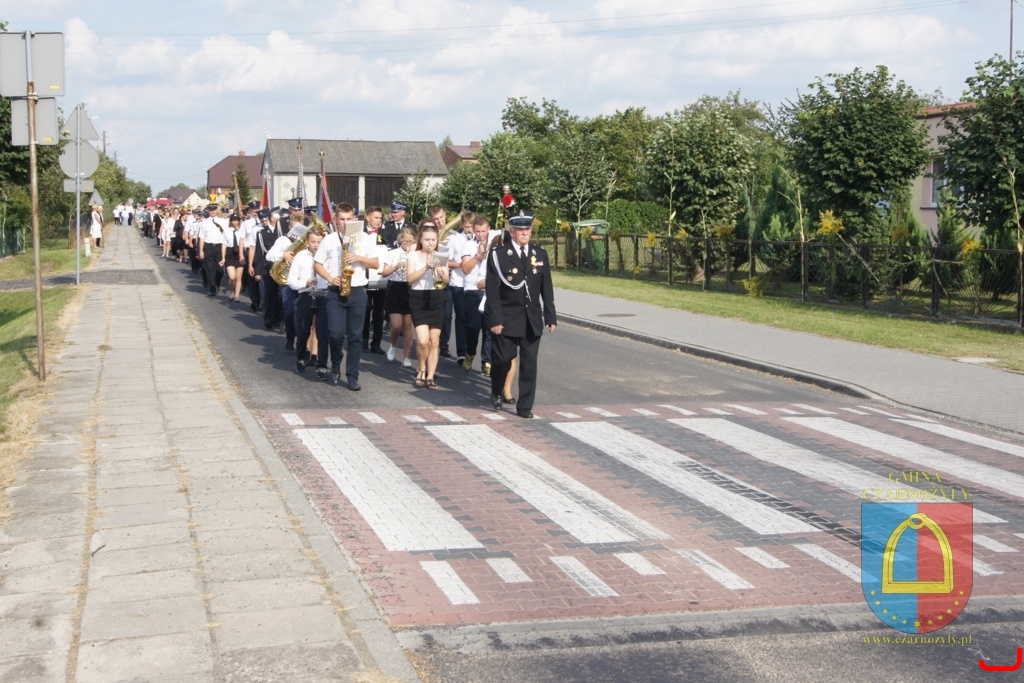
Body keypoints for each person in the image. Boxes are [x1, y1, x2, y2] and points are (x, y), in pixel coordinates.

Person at [485, 210, 556, 418]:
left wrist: (550, 316)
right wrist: (495, 319)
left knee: (529, 364)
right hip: (507, 318)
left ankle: (525, 406)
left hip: (531, 318)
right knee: (502, 360)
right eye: (520, 229)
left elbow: (546, 288)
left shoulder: (539, 254)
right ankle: (496, 389)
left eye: (528, 229)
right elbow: (492, 292)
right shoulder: (499, 254)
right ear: (512, 231)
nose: (525, 233)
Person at [313, 203, 379, 390]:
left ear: (355, 219)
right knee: (335, 334)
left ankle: (352, 376)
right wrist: (330, 278)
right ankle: (335, 363)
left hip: (357, 291)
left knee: (355, 337)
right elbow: (317, 264)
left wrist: (359, 258)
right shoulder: (329, 240)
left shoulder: (365, 239)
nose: (345, 223)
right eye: (341, 219)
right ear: (335, 220)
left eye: (349, 219)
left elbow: (375, 263)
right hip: (335, 292)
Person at [405, 221, 450, 389]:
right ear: (420, 240)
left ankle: (430, 376)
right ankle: (422, 368)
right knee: (423, 341)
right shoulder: (413, 255)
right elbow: (410, 279)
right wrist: (426, 267)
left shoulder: (441, 256)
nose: (430, 243)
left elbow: (446, 280)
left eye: (433, 240)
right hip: (418, 298)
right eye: (427, 240)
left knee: (434, 342)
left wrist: (440, 271)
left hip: (436, 297)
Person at [288, 223, 326, 374]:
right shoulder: (300, 256)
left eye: (319, 242)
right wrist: (305, 282)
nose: (316, 245)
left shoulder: (327, 256)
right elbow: (291, 280)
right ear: (307, 241)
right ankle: (301, 358)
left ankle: (321, 362)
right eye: (313, 242)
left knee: (322, 331)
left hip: (323, 296)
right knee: (304, 329)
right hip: (306, 295)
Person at [381, 227, 417, 368]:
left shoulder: (416, 254)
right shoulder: (393, 253)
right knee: (396, 326)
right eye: (405, 241)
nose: (407, 244)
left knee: (408, 326)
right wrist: (395, 267)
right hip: (395, 287)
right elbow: (384, 272)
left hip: (410, 288)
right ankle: (394, 344)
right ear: (400, 240)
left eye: (410, 241)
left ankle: (406, 357)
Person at [442, 208, 473, 364]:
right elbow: (445, 261)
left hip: (473, 284)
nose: (470, 230)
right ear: (462, 225)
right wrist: (461, 264)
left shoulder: (479, 239)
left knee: (472, 319)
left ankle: (470, 349)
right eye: (467, 226)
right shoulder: (455, 240)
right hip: (458, 283)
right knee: (461, 317)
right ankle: (461, 352)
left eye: (472, 226)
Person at [361, 205, 389, 354]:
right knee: (365, 310)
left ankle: (376, 343)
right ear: (368, 217)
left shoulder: (386, 233)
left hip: (381, 277)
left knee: (379, 312)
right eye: (376, 217)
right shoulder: (360, 234)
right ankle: (363, 340)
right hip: (364, 277)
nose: (379, 220)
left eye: (380, 218)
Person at [197, 204, 227, 297]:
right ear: (208, 211)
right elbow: (202, 237)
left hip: (219, 247)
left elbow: (226, 235)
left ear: (217, 210)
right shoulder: (204, 223)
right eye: (210, 210)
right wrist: (201, 251)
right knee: (209, 269)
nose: (212, 212)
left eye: (214, 210)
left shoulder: (222, 222)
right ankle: (212, 287)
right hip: (208, 246)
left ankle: (217, 283)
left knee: (220, 270)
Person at [223, 213, 247, 302]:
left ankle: (237, 295)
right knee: (232, 277)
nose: (235, 222)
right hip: (230, 253)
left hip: (240, 254)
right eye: (233, 220)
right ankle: (231, 291)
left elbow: (244, 242)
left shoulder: (242, 230)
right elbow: (224, 244)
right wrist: (223, 257)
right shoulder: (227, 230)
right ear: (230, 221)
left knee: (238, 277)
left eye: (237, 220)